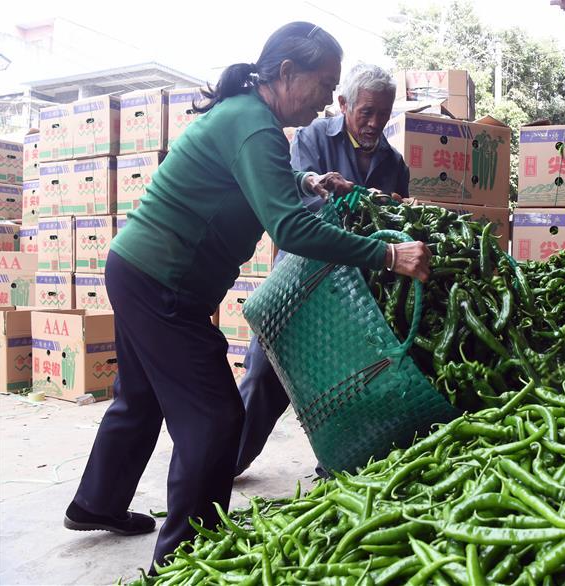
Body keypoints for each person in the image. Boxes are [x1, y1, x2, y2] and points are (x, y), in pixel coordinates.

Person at [62, 22, 431, 570]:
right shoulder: (255, 126)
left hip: (139, 268)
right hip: (164, 282)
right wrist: (388, 255)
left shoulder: (247, 116)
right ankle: (184, 559)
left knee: (139, 397)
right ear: (287, 72)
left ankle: (97, 502)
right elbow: (291, 230)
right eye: (324, 83)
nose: (327, 98)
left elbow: (245, 178)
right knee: (214, 419)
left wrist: (307, 182)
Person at [235, 63, 409, 477]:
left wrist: (382, 208)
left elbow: (398, 219)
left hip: (358, 296)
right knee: (264, 373)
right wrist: (368, 206)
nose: (375, 122)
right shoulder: (312, 139)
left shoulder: (394, 162)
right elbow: (304, 210)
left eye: (383, 113)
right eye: (366, 112)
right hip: (301, 281)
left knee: (345, 382)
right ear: (345, 104)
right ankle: (224, 462)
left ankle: (334, 470)